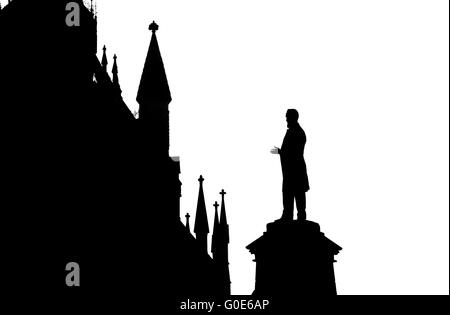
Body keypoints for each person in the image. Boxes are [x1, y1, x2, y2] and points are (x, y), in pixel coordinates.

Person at [271, 109, 310, 221]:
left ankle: (298, 216)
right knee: (290, 192)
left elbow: (293, 152)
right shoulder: (295, 131)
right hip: (292, 169)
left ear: (293, 117)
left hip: (295, 169)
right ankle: (288, 214)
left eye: (287, 116)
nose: (286, 119)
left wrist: (281, 152)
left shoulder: (297, 132)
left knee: (297, 193)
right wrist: (281, 152)